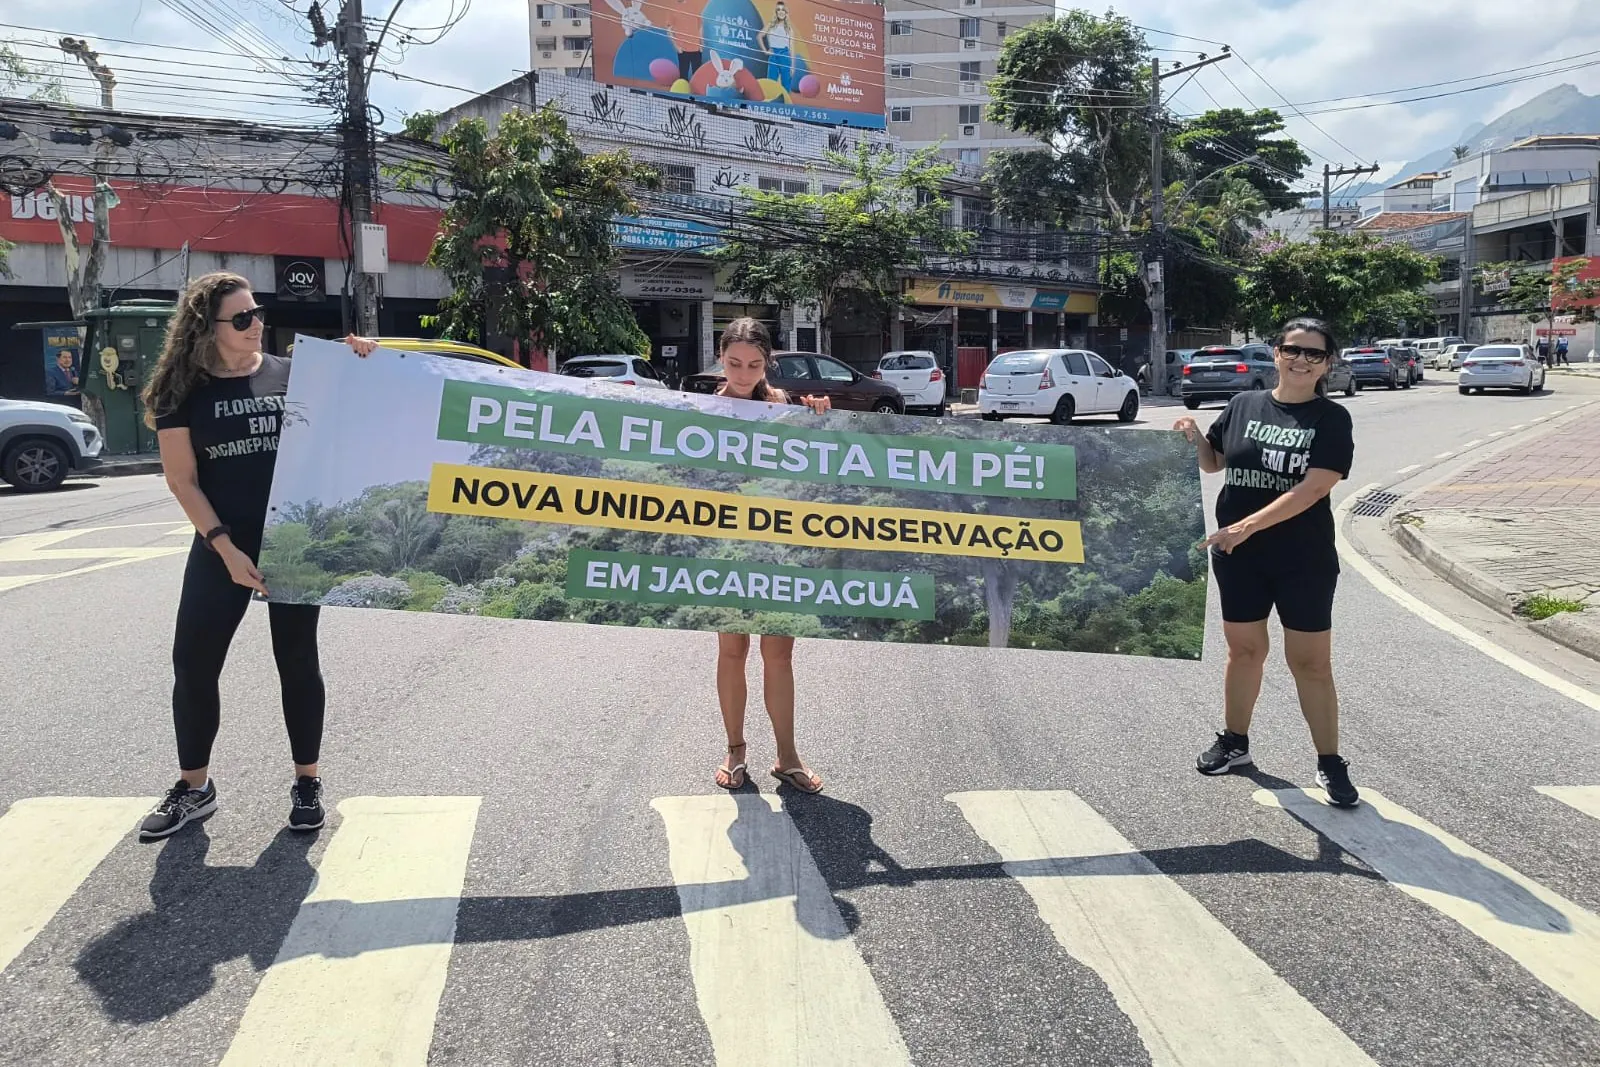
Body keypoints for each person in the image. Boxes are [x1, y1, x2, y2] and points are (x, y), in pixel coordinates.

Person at [136, 270, 378, 840]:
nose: (255, 325)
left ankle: (307, 783)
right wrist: (223, 547)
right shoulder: (181, 393)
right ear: (207, 328)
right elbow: (182, 481)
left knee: (296, 662)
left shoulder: (294, 376)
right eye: (241, 318)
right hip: (223, 546)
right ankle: (194, 787)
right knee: (194, 665)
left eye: (257, 313)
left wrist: (360, 360)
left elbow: (360, 415)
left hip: (293, 544)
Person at [1173, 316, 1360, 808]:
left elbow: (1314, 488)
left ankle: (1330, 762)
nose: (1300, 359)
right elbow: (1216, 463)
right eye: (1291, 349)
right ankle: (1235, 741)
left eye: (1313, 353)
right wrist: (1193, 435)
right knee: (1244, 652)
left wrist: (1247, 525)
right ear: (1275, 353)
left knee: (1310, 662)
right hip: (1238, 556)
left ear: (1327, 363)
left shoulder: (1330, 419)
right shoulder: (1242, 404)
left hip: (1304, 558)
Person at [712, 317, 831, 794]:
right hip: (725, 548)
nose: (743, 374)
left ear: (768, 363)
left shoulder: (784, 407)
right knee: (732, 649)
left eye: (755, 365)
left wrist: (822, 420)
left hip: (778, 546)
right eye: (734, 363)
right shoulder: (701, 409)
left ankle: (788, 756)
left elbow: (813, 470)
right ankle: (736, 751)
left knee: (779, 654)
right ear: (721, 357)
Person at [757, 2, 795, 92]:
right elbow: (759, 36)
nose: (781, 12)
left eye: (783, 10)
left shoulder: (789, 29)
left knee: (786, 83)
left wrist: (793, 66)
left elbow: (792, 48)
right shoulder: (771, 25)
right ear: (776, 12)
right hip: (773, 54)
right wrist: (765, 51)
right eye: (778, 10)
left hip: (785, 54)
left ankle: (785, 104)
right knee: (771, 81)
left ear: (786, 13)